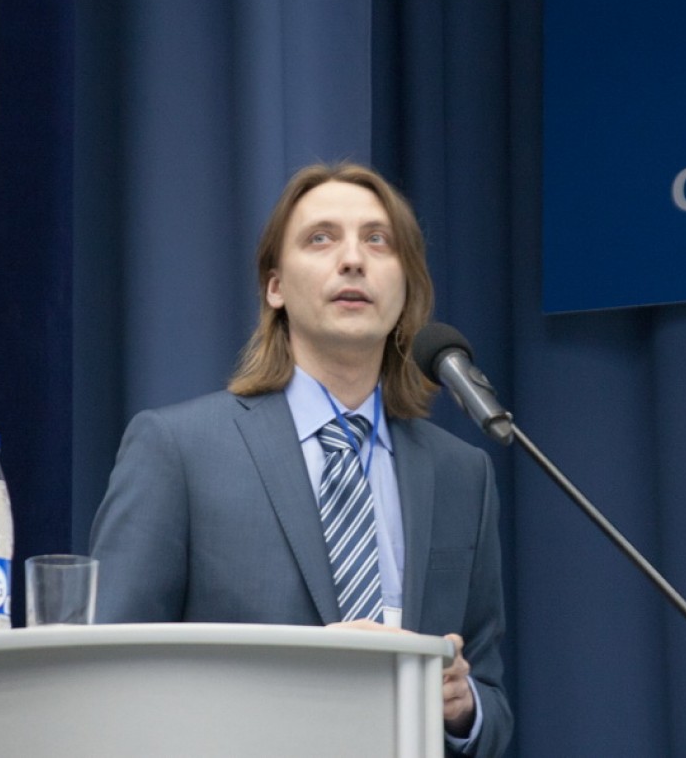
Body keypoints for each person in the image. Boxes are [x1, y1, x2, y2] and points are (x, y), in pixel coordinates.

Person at [89, 162, 511, 757]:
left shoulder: (462, 473)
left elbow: (490, 699)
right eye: (320, 238)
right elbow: (109, 671)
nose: (353, 260)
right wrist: (296, 681)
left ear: (408, 289)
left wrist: (463, 707)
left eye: (378, 240)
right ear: (275, 287)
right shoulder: (178, 448)